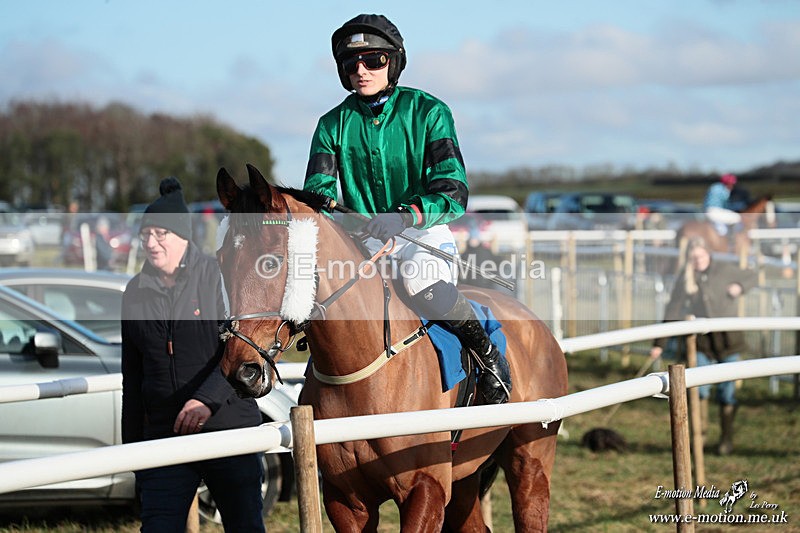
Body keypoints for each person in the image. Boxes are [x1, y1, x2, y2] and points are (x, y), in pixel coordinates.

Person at [303, 14, 511, 404]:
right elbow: (318, 196)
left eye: (374, 61)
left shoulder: (429, 111)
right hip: (361, 240)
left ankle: (489, 359)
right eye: (352, 64)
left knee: (419, 283)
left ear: (393, 62)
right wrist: (350, 226)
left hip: (421, 232)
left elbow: (452, 190)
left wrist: (403, 216)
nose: (361, 71)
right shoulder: (331, 125)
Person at [121, 177, 265, 532]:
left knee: (245, 526)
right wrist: (133, 454)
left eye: (160, 235)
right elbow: (133, 379)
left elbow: (246, 354)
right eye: (145, 236)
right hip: (165, 439)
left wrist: (206, 400)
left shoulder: (220, 277)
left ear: (183, 236)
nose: (151, 244)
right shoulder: (134, 293)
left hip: (228, 433)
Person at [649, 237, 757, 455]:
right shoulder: (685, 279)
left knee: (727, 394)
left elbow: (752, 275)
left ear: (708, 254)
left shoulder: (725, 269)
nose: (698, 261)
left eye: (701, 256)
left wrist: (739, 286)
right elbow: (673, 310)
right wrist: (659, 343)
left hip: (729, 342)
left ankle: (726, 438)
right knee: (699, 390)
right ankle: (699, 437)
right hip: (702, 344)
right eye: (693, 258)